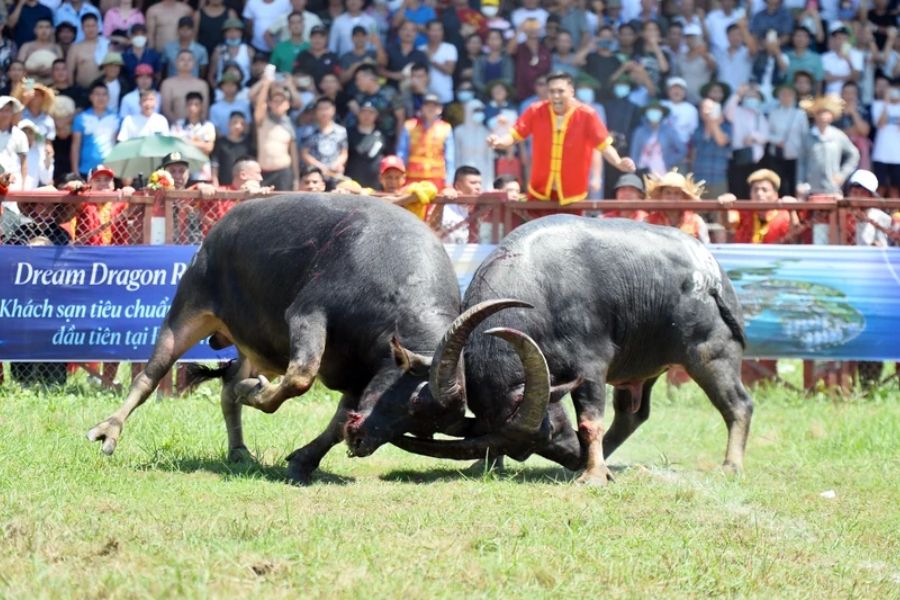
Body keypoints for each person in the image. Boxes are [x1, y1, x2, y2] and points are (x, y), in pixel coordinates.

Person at [488, 72, 634, 205]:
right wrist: (499, 142)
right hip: (540, 192)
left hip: (572, 195)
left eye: (560, 91)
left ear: (571, 92)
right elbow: (514, 135)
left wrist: (619, 162)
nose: (556, 96)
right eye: (551, 92)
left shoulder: (587, 115)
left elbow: (604, 145)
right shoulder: (535, 110)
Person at [797, 94, 860, 196]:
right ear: (815, 115)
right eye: (820, 112)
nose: (823, 116)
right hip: (811, 187)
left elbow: (854, 154)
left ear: (832, 116)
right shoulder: (808, 136)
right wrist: (799, 183)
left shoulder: (838, 135)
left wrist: (842, 175)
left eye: (826, 112)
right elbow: (802, 162)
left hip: (832, 187)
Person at [397, 93, 454, 190]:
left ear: (440, 109)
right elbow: (402, 154)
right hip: (412, 177)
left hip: (437, 178)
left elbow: (450, 158)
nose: (430, 108)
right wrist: (399, 177)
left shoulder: (446, 128)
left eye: (434, 105)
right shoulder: (410, 125)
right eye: (427, 105)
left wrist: (449, 182)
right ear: (422, 108)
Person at [645, 169, 709, 243]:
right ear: (661, 196)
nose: (672, 197)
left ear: (683, 197)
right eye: (668, 193)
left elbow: (706, 248)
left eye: (677, 193)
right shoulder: (648, 222)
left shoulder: (696, 221)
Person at [70, 82, 119, 178]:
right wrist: (75, 171)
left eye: (104, 94)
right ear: (91, 97)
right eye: (97, 94)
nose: (101, 98)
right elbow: (75, 146)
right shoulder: (81, 118)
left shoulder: (117, 118)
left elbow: (120, 146)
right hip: (86, 170)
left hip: (110, 170)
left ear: (108, 97)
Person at [300, 95, 346, 189]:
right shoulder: (309, 131)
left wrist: (336, 164)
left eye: (327, 108)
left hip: (334, 175)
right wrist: (320, 167)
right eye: (321, 109)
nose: (324, 112)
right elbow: (304, 153)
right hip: (314, 177)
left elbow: (344, 153)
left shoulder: (341, 131)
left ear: (333, 110)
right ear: (316, 111)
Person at [691, 98, 732, 199]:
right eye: (703, 108)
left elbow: (721, 141)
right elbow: (693, 153)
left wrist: (714, 123)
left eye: (710, 108)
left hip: (718, 177)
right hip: (699, 177)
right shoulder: (697, 130)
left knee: (719, 212)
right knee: (698, 212)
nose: (706, 111)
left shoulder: (726, 127)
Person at [631, 101, 685, 177]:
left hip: (663, 171)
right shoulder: (639, 131)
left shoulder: (669, 131)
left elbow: (682, 150)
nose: (654, 113)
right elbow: (634, 153)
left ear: (662, 113)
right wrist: (634, 170)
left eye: (657, 111)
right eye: (651, 111)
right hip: (642, 170)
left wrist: (670, 160)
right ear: (646, 113)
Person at [171, 91, 215, 181]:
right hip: (180, 171)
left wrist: (186, 142)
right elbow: (174, 146)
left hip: (202, 171)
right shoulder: (177, 125)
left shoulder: (208, 126)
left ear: (201, 106)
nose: (192, 107)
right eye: (190, 104)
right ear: (186, 106)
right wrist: (199, 144)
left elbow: (209, 147)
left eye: (196, 104)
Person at [159, 50, 208, 123]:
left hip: (197, 128)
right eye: (182, 59)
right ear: (176, 63)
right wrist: (179, 125)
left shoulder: (202, 85)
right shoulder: (167, 84)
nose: (186, 62)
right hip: (175, 128)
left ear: (194, 63)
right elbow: (166, 109)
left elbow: (204, 110)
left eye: (189, 60)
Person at [345, 100, 385, 189]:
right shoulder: (348, 133)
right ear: (358, 114)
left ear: (376, 115)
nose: (367, 116)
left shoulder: (383, 134)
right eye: (363, 112)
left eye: (371, 112)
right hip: (352, 182)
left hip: (375, 183)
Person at [212, 112, 253, 187]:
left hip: (243, 185)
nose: (238, 126)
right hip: (223, 184)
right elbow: (215, 163)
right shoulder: (221, 142)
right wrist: (215, 181)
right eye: (235, 122)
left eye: (242, 124)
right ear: (228, 124)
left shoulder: (248, 143)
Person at [65, 13, 106, 89]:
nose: (91, 29)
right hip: (82, 90)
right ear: (82, 28)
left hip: (103, 91)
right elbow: (69, 72)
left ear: (98, 27)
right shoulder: (75, 48)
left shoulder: (106, 45)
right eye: (87, 26)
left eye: (93, 26)